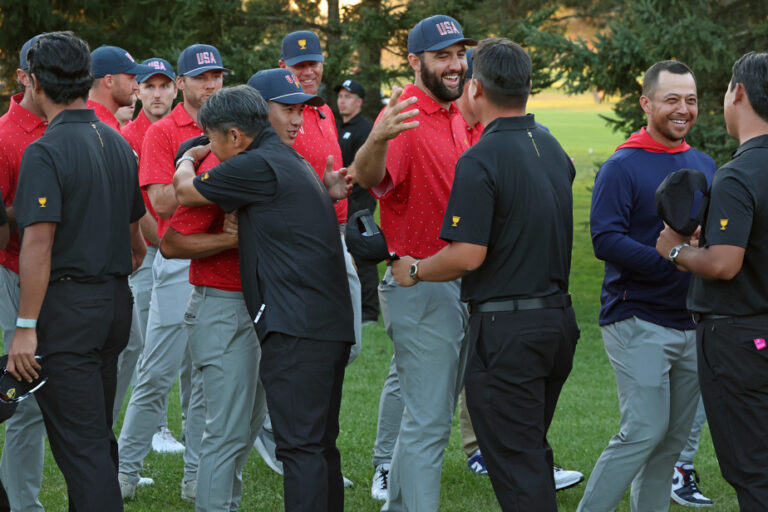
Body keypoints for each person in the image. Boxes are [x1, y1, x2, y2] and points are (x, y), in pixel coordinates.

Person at [390, 35, 578, 512]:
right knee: (529, 450)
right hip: (557, 323)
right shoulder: (553, 148)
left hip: (507, 332)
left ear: (474, 89)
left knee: (516, 467)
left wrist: (414, 269)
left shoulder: (480, 159)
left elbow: (466, 254)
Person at [173, 84, 355, 512]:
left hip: (297, 327)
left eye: (214, 140)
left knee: (300, 448)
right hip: (325, 322)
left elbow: (184, 191)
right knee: (320, 446)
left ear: (234, 136)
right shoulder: (290, 158)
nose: (212, 149)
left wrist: (187, 157)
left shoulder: (255, 163)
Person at [9, 31, 146, 511]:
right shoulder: (116, 140)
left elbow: (38, 243)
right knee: (95, 436)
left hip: (71, 311)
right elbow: (138, 245)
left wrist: (25, 327)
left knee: (84, 452)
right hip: (114, 304)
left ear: (37, 84)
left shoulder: (45, 150)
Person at [577, 60, 717, 512]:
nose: (683, 109)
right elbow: (604, 239)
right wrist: (670, 261)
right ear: (647, 103)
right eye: (671, 99)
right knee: (643, 431)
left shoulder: (704, 164)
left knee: (671, 442)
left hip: (691, 322)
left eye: (691, 100)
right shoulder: (623, 164)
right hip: (635, 316)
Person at [350, 14, 476, 511]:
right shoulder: (405, 115)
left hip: (448, 282)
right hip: (422, 285)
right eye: (443, 55)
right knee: (427, 422)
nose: (455, 64)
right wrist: (378, 137)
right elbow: (368, 175)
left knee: (426, 414)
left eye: (460, 54)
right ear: (415, 61)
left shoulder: (450, 115)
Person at [655, 50, 768, 511]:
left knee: (753, 468)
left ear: (737, 93)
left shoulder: (738, 174)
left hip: (739, 339)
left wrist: (676, 250)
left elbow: (724, 264)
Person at [118, 43, 227, 502]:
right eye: (200, 77)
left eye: (216, 76)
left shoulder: (233, 122)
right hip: (178, 259)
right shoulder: (163, 132)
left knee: (207, 375)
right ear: (181, 84)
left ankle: (196, 477)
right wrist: (211, 179)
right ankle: (122, 470)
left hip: (222, 261)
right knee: (157, 370)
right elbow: (161, 202)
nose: (210, 84)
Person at [161, 138, 267, 510]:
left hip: (261, 306)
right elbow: (171, 243)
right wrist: (227, 238)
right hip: (221, 304)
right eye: (287, 111)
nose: (297, 120)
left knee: (245, 428)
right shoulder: (219, 167)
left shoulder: (265, 162)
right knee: (225, 432)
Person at [117, 57, 183, 454]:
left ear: (175, 88)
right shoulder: (128, 137)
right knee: (147, 344)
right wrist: (157, 242)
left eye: (163, 86)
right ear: (137, 90)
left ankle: (187, 425)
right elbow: (133, 205)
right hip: (145, 252)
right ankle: (156, 426)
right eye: (149, 86)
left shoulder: (183, 132)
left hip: (181, 248)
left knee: (187, 349)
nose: (157, 94)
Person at [0, 33, 49, 512]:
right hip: (16, 272)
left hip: (72, 281)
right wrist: (41, 211)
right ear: (24, 77)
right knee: (27, 398)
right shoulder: (3, 136)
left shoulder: (79, 124)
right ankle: (22, 506)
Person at [335, 78, 379, 325]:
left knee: (364, 254)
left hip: (360, 203)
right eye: (341, 96)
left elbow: (365, 168)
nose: (343, 100)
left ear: (360, 102)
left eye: (348, 96)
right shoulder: (338, 127)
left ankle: (370, 312)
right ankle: (349, 305)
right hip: (341, 202)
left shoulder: (365, 129)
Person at [88, 45, 146, 132]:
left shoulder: (85, 121)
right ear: (109, 81)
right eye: (131, 78)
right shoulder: (100, 130)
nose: (136, 87)